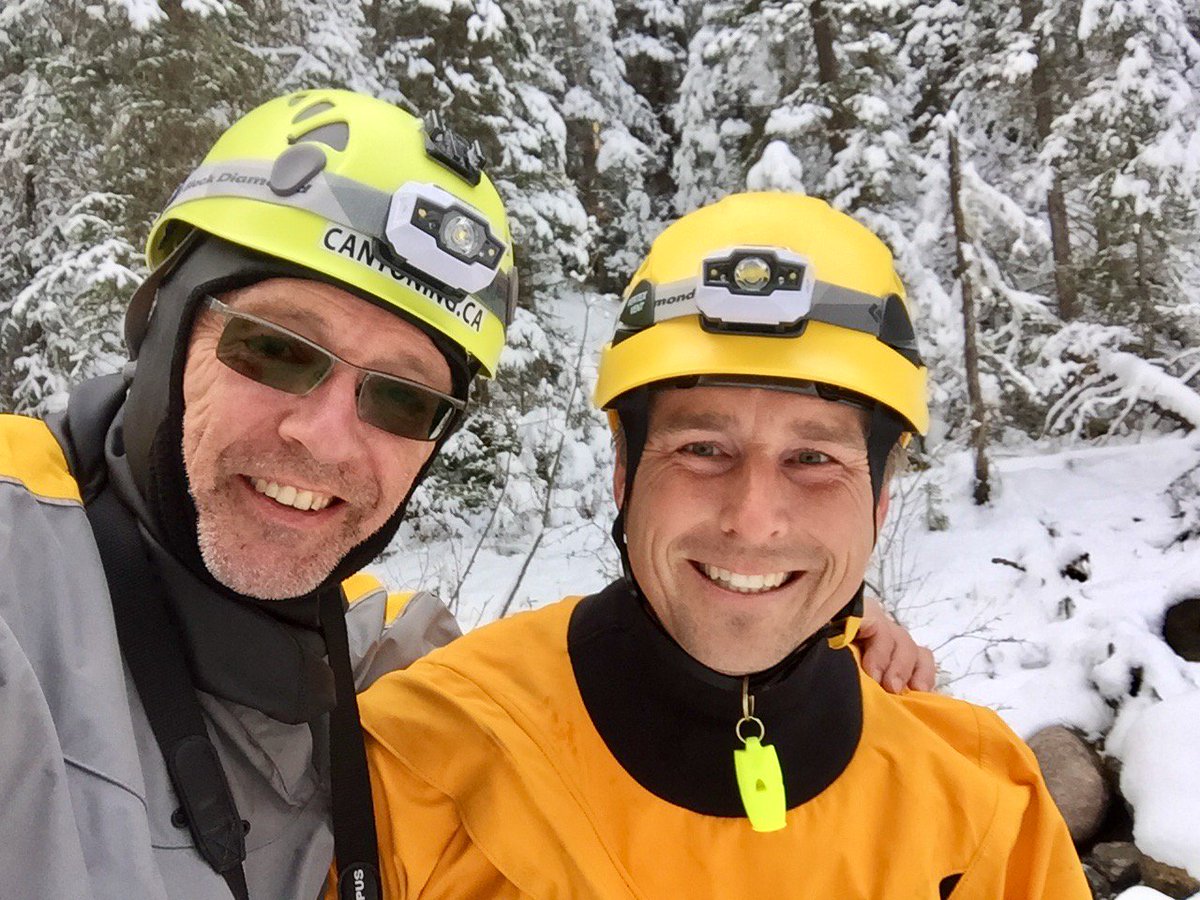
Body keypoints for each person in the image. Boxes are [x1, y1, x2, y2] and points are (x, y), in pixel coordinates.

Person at [0, 93, 924, 898]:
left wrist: (789, 598)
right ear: (160, 321)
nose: (322, 437)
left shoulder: (373, 669)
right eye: (276, 348)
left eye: (401, 397)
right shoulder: (20, 578)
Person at [358, 192, 1091, 898]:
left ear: (880, 500)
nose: (752, 519)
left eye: (814, 459)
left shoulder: (982, 804)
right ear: (624, 474)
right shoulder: (425, 761)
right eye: (704, 449)